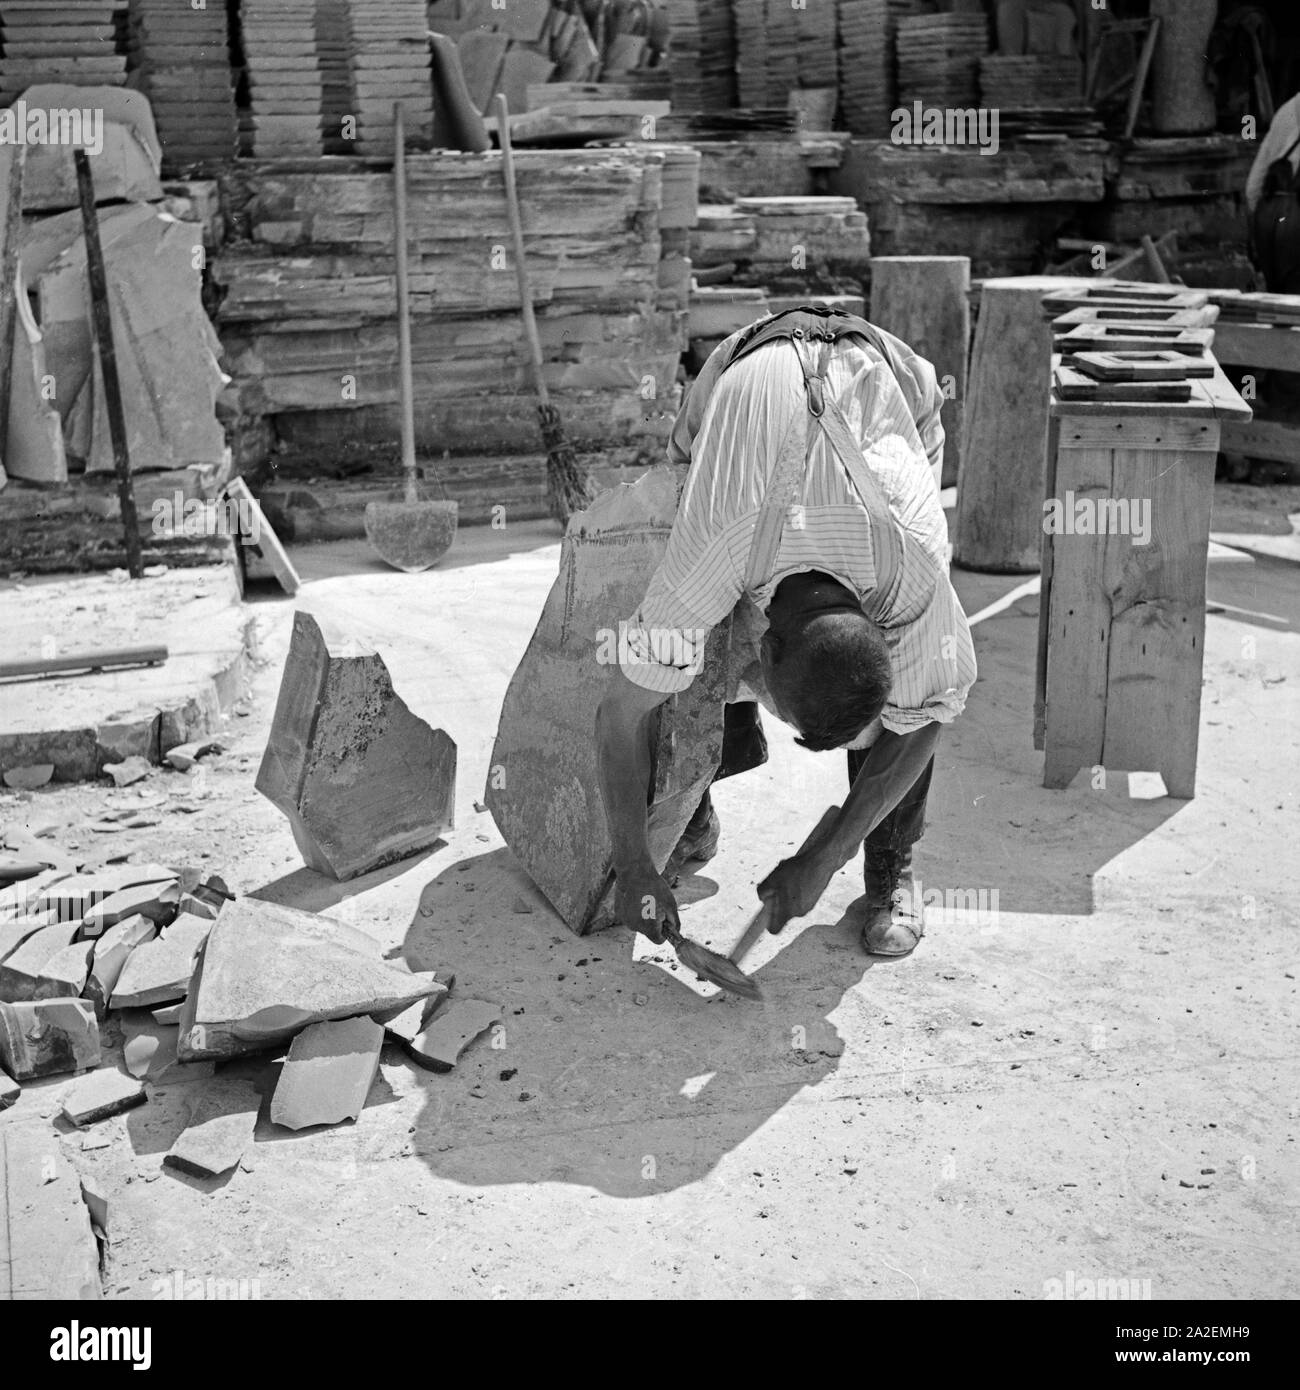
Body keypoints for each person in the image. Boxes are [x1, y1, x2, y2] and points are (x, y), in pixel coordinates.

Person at [595, 306, 977, 961]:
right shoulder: (713, 546)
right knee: (686, 649)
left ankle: (892, 869)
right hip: (738, 378)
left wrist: (826, 854)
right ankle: (689, 811)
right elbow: (617, 713)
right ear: (760, 644)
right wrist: (632, 863)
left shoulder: (915, 562)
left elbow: (926, 717)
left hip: (893, 386)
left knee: (918, 689)